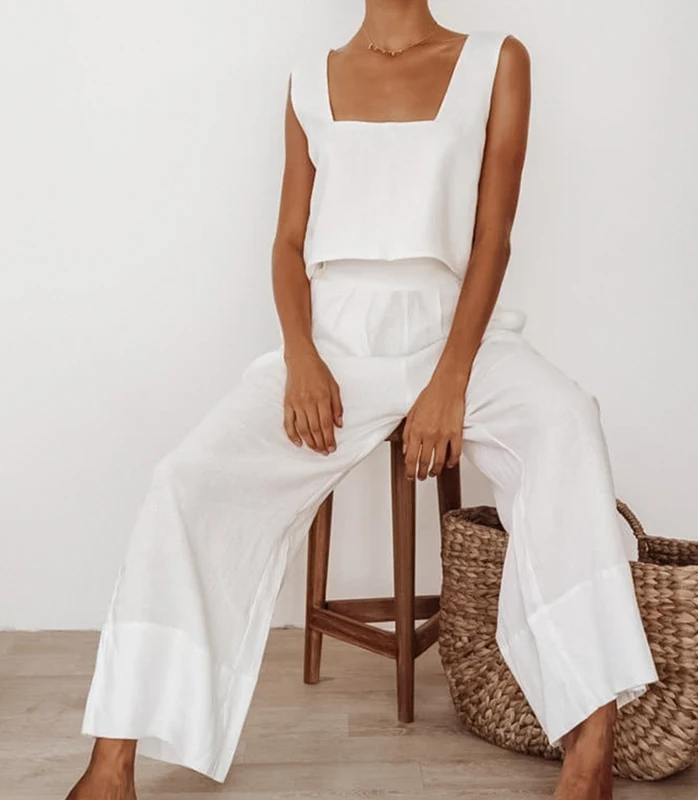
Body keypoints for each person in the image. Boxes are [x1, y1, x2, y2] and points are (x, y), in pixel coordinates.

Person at [66, 3, 658, 799]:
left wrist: (450, 378)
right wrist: (302, 356)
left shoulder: (497, 60)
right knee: (184, 479)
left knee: (566, 421)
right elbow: (287, 243)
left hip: (454, 333)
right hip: (334, 346)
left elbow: (492, 236)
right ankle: (112, 762)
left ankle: (592, 739)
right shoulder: (310, 79)